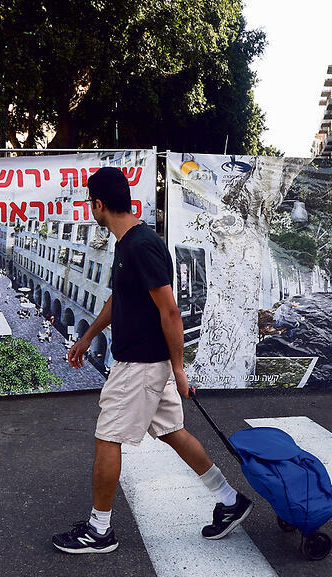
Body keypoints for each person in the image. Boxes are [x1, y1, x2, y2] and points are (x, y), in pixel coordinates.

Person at [52, 167, 252, 554]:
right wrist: (88, 336)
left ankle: (99, 530)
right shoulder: (126, 243)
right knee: (172, 431)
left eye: (89, 203)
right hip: (147, 364)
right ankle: (230, 500)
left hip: (141, 365)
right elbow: (118, 300)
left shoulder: (140, 245)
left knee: (107, 438)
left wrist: (179, 369)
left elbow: (170, 311)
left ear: (99, 204)